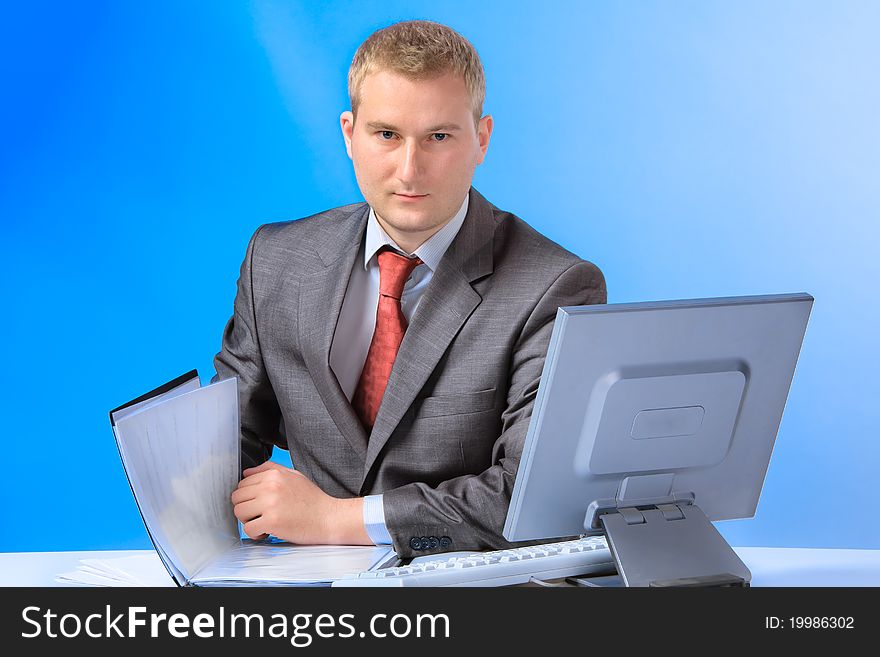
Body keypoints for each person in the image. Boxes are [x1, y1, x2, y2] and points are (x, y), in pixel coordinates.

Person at [215, 20, 606, 559]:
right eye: (386, 135)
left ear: (481, 139)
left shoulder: (554, 286)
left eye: (439, 136)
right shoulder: (276, 261)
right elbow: (225, 444)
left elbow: (531, 499)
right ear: (349, 135)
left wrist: (335, 519)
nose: (410, 168)